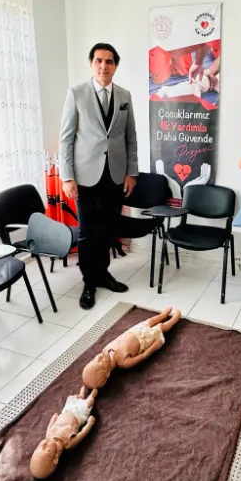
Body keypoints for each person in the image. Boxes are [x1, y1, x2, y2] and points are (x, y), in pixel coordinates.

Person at [60, 43, 138, 309]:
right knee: (87, 231)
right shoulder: (77, 93)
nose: (104, 66)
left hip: (114, 176)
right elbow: (66, 138)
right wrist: (67, 177)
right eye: (98, 61)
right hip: (84, 176)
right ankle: (89, 281)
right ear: (91, 64)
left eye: (109, 61)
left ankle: (103, 273)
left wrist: (131, 172)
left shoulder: (125, 96)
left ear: (115, 65)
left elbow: (130, 137)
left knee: (107, 229)